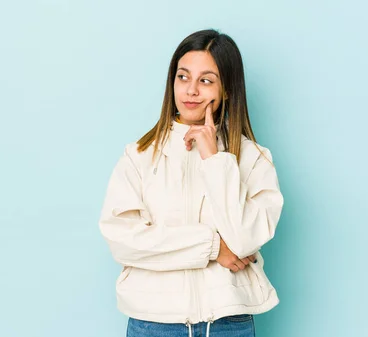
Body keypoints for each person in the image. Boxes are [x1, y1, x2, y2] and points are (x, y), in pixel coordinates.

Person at [98, 29, 284, 337]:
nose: (191, 90)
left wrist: (214, 159)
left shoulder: (253, 158)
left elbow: (245, 240)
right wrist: (212, 247)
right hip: (152, 324)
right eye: (183, 77)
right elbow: (123, 240)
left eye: (206, 80)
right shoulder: (139, 156)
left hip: (228, 323)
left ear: (226, 90)